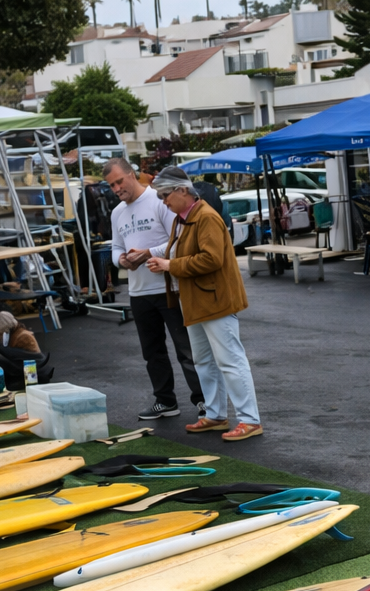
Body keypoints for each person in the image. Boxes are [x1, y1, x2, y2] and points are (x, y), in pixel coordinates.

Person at [145, 166, 262, 441]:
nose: (163, 201)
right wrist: (161, 259)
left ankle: (249, 420)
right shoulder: (185, 217)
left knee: (229, 361)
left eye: (165, 195)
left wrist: (169, 264)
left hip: (213, 299)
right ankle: (215, 415)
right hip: (197, 299)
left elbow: (211, 260)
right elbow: (182, 251)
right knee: (205, 361)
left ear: (182, 191)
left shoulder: (205, 217)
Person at [104, 157, 204, 421]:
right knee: (152, 352)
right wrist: (122, 260)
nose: (116, 189)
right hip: (138, 292)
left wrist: (148, 253)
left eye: (119, 181)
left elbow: (179, 239)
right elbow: (115, 248)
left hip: (169, 288)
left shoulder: (159, 200)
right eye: (111, 185)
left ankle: (204, 402)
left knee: (187, 349)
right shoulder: (117, 213)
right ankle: (165, 401)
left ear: (132, 174)